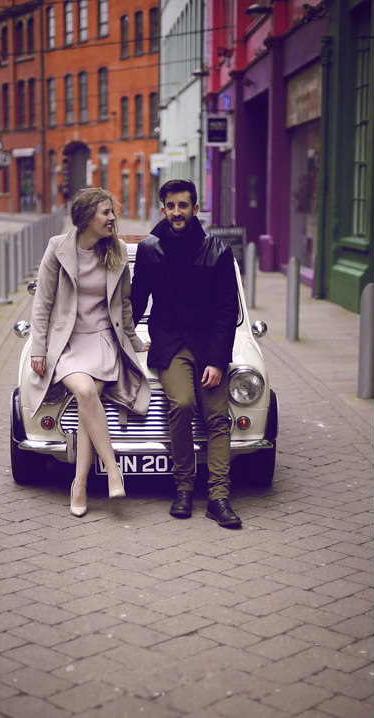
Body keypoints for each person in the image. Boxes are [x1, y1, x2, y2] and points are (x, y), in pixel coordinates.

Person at [28, 188, 151, 517]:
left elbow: (123, 305)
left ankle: (79, 485)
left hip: (101, 342)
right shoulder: (58, 248)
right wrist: (38, 348)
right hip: (66, 342)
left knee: (87, 403)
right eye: (105, 213)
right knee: (84, 392)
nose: (112, 218)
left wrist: (136, 343)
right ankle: (113, 469)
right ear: (85, 219)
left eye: (112, 212)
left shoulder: (118, 251)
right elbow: (43, 304)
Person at [130, 179, 241, 527]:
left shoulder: (218, 252)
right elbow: (136, 301)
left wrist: (218, 360)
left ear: (195, 209)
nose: (177, 212)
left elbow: (226, 311)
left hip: (209, 343)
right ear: (163, 209)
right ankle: (183, 488)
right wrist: (118, 337)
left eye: (184, 206)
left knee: (217, 416)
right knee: (181, 403)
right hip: (170, 341)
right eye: (171, 206)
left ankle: (218, 498)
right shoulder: (149, 250)